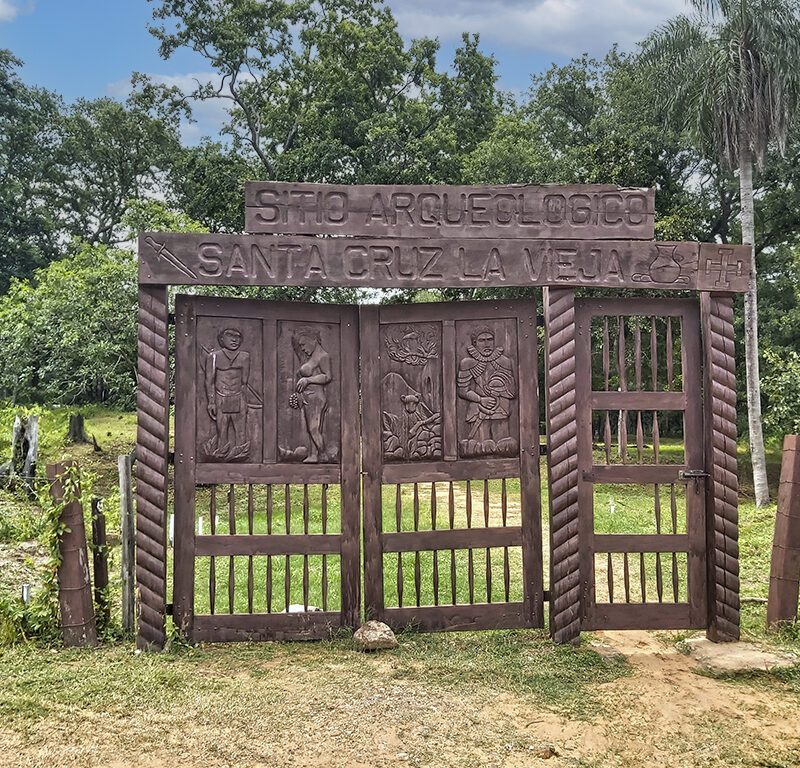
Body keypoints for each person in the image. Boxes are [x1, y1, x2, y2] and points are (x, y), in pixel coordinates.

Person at [457, 326, 518, 456]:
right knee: (478, 446)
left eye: (489, 339)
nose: (486, 343)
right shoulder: (467, 363)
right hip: (477, 407)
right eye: (482, 340)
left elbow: (512, 391)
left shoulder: (504, 361)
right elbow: (462, 391)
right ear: (475, 343)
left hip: (501, 407)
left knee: (503, 444)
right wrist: (481, 400)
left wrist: (500, 391)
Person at [204, 327, 251, 459]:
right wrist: (211, 402)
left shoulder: (244, 357)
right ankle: (221, 455)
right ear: (221, 339)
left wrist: (245, 402)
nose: (234, 339)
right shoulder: (214, 357)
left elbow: (244, 383)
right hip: (220, 398)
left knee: (241, 432)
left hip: (239, 398)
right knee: (222, 432)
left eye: (237, 336)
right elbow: (209, 381)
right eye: (230, 335)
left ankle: (240, 456)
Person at [291, 327, 333, 463]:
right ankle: (313, 455)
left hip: (316, 397)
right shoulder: (310, 356)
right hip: (308, 396)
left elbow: (327, 376)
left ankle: (323, 454)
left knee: (313, 428)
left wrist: (308, 380)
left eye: (303, 344)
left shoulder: (323, 356)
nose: (302, 348)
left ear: (313, 340)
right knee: (311, 429)